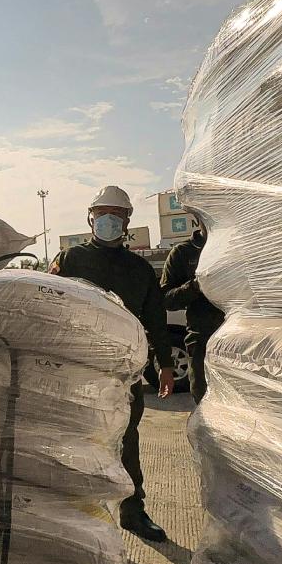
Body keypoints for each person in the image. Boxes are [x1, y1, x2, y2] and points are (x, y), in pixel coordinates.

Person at [50, 185, 175, 543]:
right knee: (75, 439)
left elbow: (155, 318)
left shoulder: (139, 269)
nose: (107, 221)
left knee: (126, 439)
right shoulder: (71, 260)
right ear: (90, 218)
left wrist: (165, 364)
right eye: (101, 214)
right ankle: (76, 513)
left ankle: (133, 512)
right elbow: (50, 306)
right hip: (79, 366)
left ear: (127, 222)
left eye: (115, 215)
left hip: (124, 372)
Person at [160, 210, 225, 404]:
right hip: (203, 343)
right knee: (206, 404)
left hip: (242, 342)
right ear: (197, 218)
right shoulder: (183, 253)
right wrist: (195, 285)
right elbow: (167, 300)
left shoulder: (237, 249)